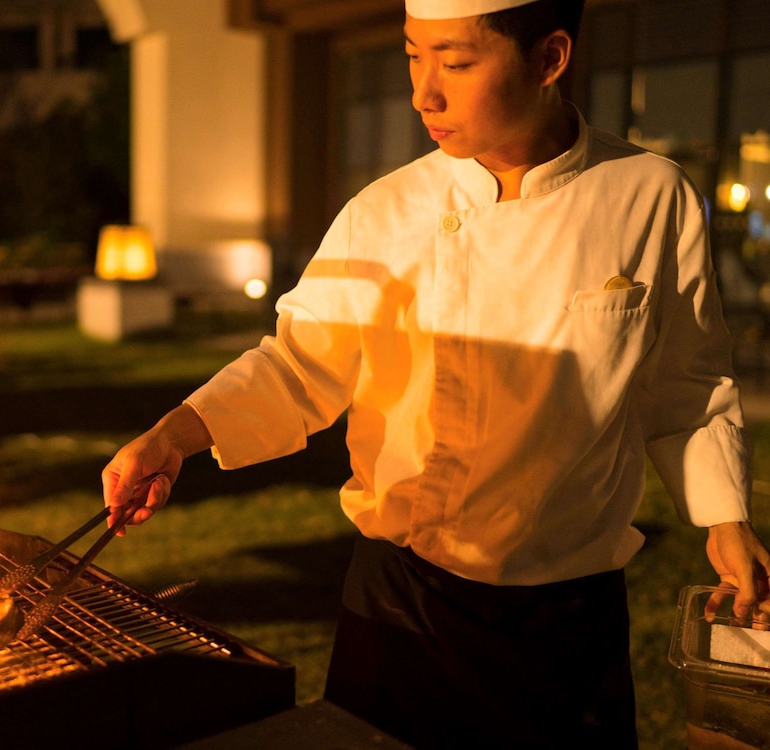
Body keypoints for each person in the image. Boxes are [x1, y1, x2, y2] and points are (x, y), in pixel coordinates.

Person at [102, 0, 770, 746]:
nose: (425, 92)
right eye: (414, 56)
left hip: (567, 616)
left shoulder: (649, 195)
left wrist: (724, 518)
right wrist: (174, 435)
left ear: (550, 59)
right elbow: (299, 365)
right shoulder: (386, 211)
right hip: (402, 602)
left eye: (455, 63)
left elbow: (685, 384)